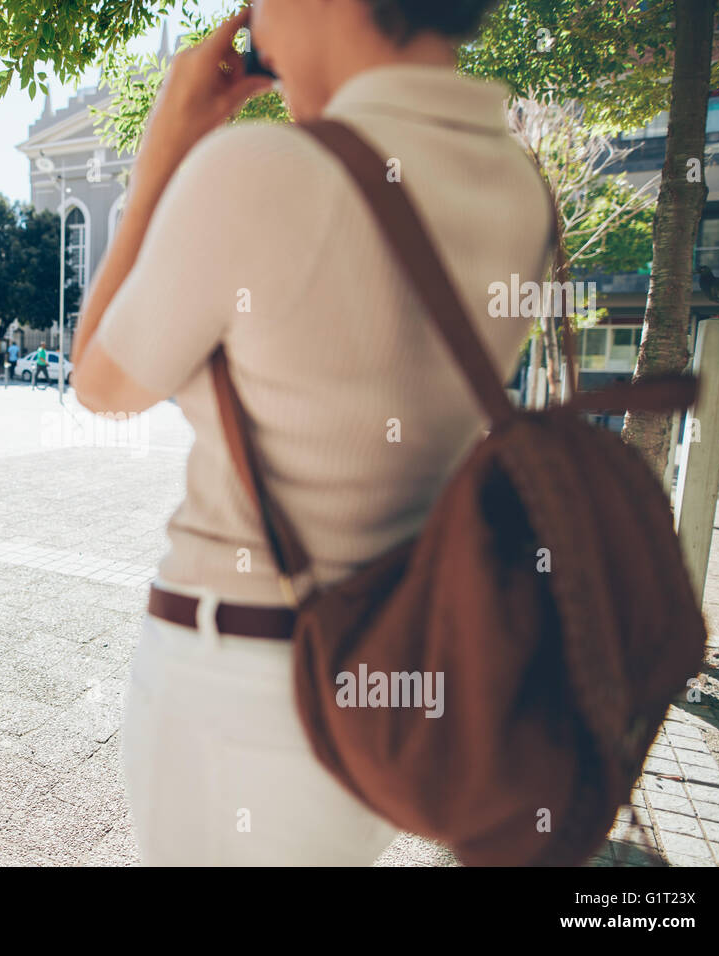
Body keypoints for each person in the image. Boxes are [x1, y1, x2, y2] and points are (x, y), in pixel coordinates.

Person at [71, 0, 547, 864]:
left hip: (240, 681)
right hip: (390, 678)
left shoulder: (258, 169)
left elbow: (99, 383)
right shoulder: (523, 188)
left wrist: (162, 159)